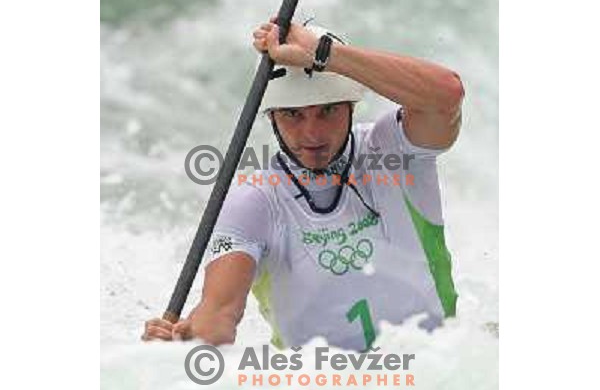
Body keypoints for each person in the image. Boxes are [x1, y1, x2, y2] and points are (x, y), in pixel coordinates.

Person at [143, 19, 464, 351]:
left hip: (439, 371)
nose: (311, 134)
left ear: (351, 107)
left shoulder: (393, 152)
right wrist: (183, 344)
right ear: (271, 117)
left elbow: (447, 95)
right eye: (293, 115)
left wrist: (323, 53)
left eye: (327, 111)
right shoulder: (254, 202)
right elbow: (217, 318)